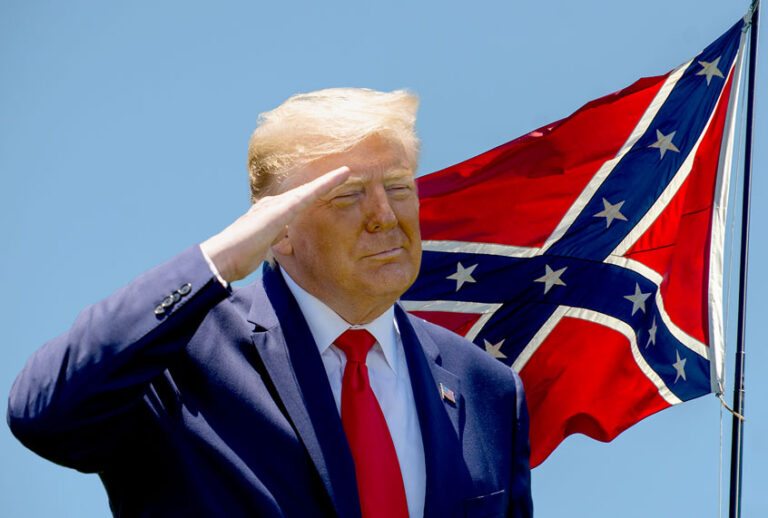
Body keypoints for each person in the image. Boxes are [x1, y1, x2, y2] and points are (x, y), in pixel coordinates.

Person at [7, 88, 533, 517]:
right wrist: (217, 261)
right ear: (276, 231)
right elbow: (44, 415)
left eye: (398, 188)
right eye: (347, 195)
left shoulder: (487, 387)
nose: (384, 216)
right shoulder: (182, 355)